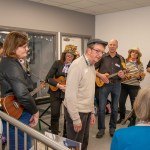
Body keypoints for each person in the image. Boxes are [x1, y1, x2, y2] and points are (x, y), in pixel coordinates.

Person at [64, 38, 108, 150]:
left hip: (86, 110)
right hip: (76, 111)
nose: (100, 55)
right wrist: (75, 118)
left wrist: (92, 111)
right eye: (97, 51)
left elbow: (90, 91)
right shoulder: (77, 65)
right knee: (74, 144)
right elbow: (70, 95)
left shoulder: (92, 65)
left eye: (102, 52)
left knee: (83, 142)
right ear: (89, 50)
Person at [0, 31, 39, 150]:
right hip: (17, 113)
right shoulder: (11, 64)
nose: (27, 49)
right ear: (13, 47)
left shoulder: (10, 62)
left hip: (19, 111)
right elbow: (22, 93)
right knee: (21, 146)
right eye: (24, 46)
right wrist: (35, 111)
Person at [95, 39, 125, 138]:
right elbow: (93, 69)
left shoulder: (121, 58)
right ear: (108, 46)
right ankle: (101, 129)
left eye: (114, 45)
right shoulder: (102, 57)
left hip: (117, 85)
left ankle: (112, 128)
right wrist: (101, 76)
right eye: (110, 44)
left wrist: (122, 75)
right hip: (103, 85)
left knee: (115, 108)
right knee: (101, 108)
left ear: (117, 46)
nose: (112, 46)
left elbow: (124, 74)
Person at [46, 44, 77, 135]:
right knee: (55, 114)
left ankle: (66, 135)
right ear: (64, 55)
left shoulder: (75, 66)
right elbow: (48, 78)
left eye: (71, 56)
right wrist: (59, 85)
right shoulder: (57, 63)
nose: (69, 57)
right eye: (67, 55)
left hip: (68, 93)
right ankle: (54, 135)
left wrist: (68, 88)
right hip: (55, 91)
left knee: (68, 116)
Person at [117, 48, 145, 126]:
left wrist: (139, 77)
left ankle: (132, 120)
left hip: (134, 87)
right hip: (123, 85)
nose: (134, 54)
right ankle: (122, 117)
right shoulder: (124, 62)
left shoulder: (140, 64)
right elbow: (120, 72)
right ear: (130, 53)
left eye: (136, 53)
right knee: (121, 102)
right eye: (133, 52)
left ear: (138, 56)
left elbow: (142, 76)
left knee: (134, 104)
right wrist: (124, 76)